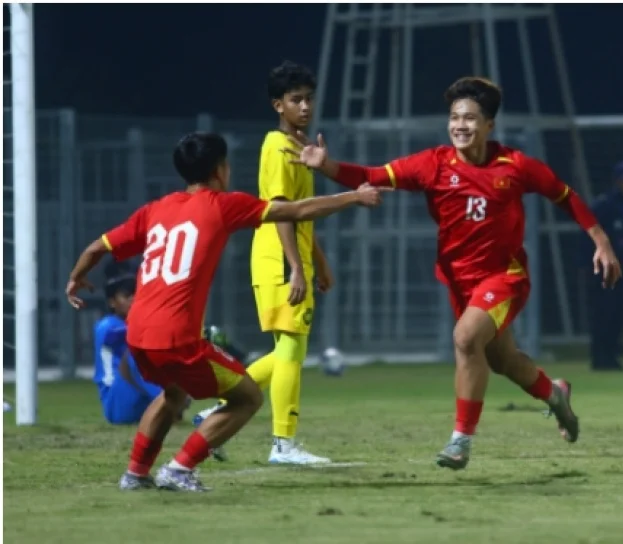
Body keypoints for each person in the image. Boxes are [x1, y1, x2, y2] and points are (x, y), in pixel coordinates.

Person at [284, 76, 622, 470]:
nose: (460, 125)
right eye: (454, 117)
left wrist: (601, 240)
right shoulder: (433, 164)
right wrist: (327, 165)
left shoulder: (514, 166)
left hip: (504, 277)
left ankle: (460, 440)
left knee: (464, 340)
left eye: (470, 118)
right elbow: (373, 175)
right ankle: (555, 395)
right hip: (459, 281)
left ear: (489, 126)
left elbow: (564, 194)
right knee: (504, 361)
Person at [64, 132, 387, 492]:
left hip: (137, 334)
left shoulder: (155, 210)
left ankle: (135, 474)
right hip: (177, 337)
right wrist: (354, 196)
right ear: (221, 169)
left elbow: (96, 248)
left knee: (172, 393)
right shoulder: (221, 204)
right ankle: (180, 468)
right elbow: (296, 211)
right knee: (247, 397)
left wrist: (76, 279)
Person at [195, 61, 334, 465]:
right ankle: (283, 444)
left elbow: (303, 214)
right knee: (291, 348)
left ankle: (215, 414)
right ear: (278, 105)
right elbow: (280, 210)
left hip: (288, 254)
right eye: (296, 100)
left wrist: (318, 262)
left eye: (309, 98)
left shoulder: (300, 146)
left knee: (289, 350)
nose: (305, 106)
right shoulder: (276, 147)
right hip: (277, 254)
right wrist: (295, 266)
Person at [93, 262, 166, 425]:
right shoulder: (107, 325)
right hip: (115, 402)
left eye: (136, 294)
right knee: (137, 352)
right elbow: (115, 337)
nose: (133, 299)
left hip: (139, 397)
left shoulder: (138, 324)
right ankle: (167, 400)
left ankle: (168, 400)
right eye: (126, 296)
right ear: (112, 302)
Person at [586, 160, 623, 371]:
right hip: (603, 270)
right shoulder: (604, 206)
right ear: (617, 182)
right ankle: (600, 356)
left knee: (617, 312)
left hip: (622, 269)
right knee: (603, 312)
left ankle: (611, 353)